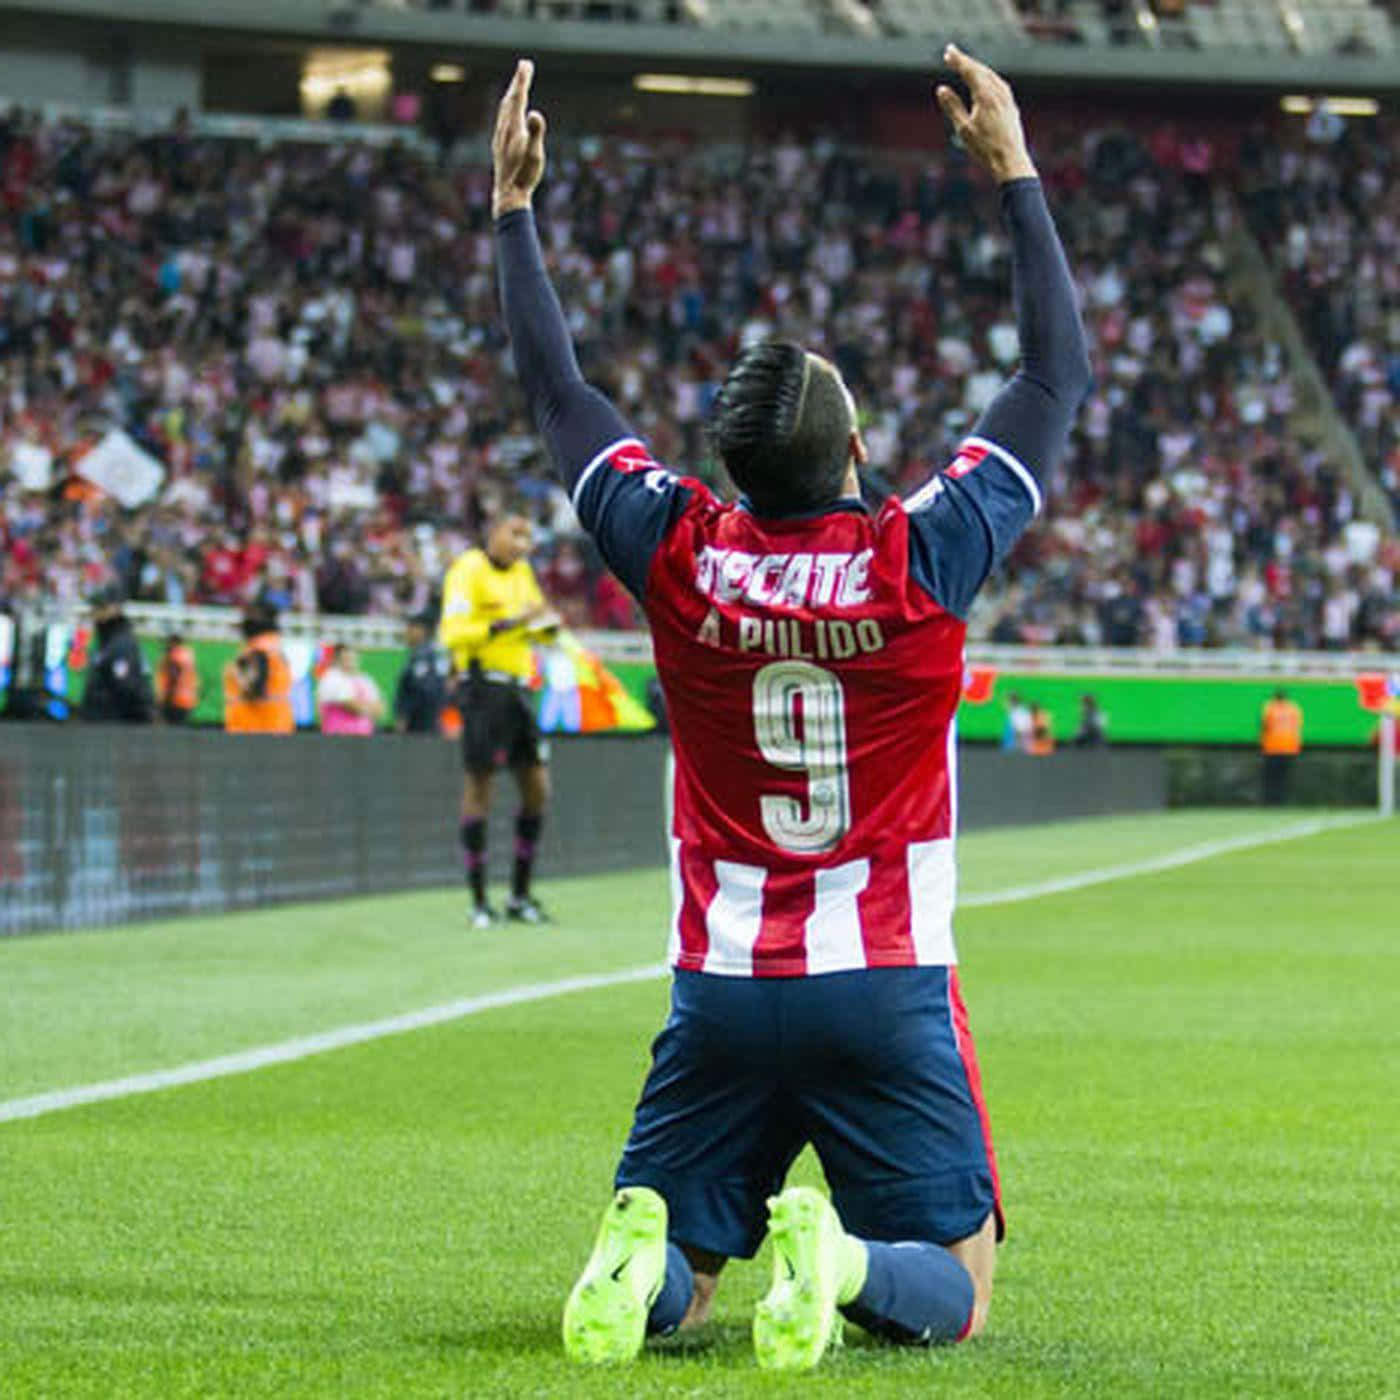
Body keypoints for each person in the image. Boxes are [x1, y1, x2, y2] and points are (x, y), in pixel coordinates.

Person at [488, 50, 1090, 1370]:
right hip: (880, 979)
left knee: (689, 1273)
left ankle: (643, 1271)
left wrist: (513, 216)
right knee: (961, 1279)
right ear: (861, 453)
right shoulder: (920, 560)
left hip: (718, 982)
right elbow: (1053, 381)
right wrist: (1015, 175)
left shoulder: (677, 551)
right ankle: (851, 1259)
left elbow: (559, 397)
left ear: (724, 466)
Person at [438, 504, 561, 928]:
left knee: (537, 788)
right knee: (480, 785)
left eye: (528, 537)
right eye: (516, 533)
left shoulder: (523, 573)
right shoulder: (467, 570)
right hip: (482, 684)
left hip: (518, 686)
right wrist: (511, 623)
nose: (523, 544)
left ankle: (520, 896)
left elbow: (535, 624)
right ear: (494, 533)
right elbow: (453, 632)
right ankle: (478, 901)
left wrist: (547, 627)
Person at [80, 586, 155, 724]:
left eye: (100, 607)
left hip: (115, 731)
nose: (94, 612)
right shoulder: (109, 640)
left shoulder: (121, 644)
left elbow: (125, 692)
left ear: (115, 609)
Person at [223, 603, 295, 734]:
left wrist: (236, 674)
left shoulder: (256, 653)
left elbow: (253, 689)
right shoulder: (276, 652)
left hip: (251, 729)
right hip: (278, 726)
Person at [394, 610, 452, 734]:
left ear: (421, 631)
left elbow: (423, 690)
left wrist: (405, 715)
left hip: (421, 724)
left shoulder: (423, 656)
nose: (406, 633)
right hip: (433, 721)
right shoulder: (435, 653)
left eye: (410, 629)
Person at [317, 644, 385, 736]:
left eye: (352, 657)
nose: (350, 661)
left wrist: (365, 708)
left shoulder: (365, 679)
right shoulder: (331, 678)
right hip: (337, 737)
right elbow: (350, 705)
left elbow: (380, 709)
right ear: (337, 659)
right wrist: (369, 708)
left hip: (364, 737)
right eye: (345, 658)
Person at [1259, 687, 1303, 805]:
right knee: (1284, 778)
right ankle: (1282, 802)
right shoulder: (1293, 709)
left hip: (1272, 748)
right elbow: (1297, 726)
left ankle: (1270, 802)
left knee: (1271, 778)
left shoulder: (1270, 708)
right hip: (1289, 747)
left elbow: (1264, 726)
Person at [155, 633, 199, 725]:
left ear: (173, 643)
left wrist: (163, 703)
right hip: (187, 701)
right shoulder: (187, 655)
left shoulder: (174, 657)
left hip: (174, 702)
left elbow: (173, 679)